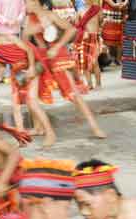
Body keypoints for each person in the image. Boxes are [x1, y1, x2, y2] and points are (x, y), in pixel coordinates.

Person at [23, 0, 107, 140]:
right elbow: (25, 40)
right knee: (31, 94)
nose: (26, 4)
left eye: (28, 1)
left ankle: (95, 127)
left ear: (37, 2)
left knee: (74, 95)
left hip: (57, 57)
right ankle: (38, 128)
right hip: (42, 58)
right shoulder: (29, 18)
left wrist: (56, 47)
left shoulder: (50, 15)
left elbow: (72, 30)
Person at [0, 18, 61, 148]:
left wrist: (32, 67)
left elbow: (29, 50)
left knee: (32, 101)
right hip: (18, 75)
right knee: (16, 106)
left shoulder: (9, 38)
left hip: (30, 68)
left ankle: (50, 133)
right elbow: (2, 68)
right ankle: (22, 138)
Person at [73, 1, 102, 89]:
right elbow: (77, 25)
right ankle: (89, 84)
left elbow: (100, 21)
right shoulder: (80, 11)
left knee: (94, 62)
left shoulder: (97, 9)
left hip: (94, 37)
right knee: (84, 63)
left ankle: (98, 83)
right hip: (84, 38)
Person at [101, 0, 127, 65]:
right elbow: (113, 5)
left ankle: (118, 59)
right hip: (108, 18)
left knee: (119, 40)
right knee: (107, 39)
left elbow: (122, 3)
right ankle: (107, 59)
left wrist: (124, 4)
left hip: (117, 18)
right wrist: (122, 5)